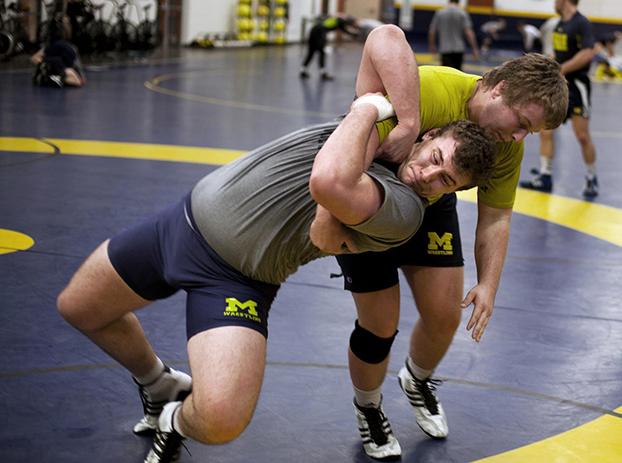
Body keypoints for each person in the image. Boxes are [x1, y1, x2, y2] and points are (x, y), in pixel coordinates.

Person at [56, 35, 498, 462]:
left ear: (454, 193)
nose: (427, 177)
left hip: (235, 279)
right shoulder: (386, 136)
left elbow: (330, 182)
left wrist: (367, 106)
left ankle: (176, 420)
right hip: (178, 224)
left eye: (446, 182)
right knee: (79, 307)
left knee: (221, 420)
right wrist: (403, 119)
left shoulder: (404, 210)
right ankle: (157, 384)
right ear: (428, 135)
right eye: (434, 160)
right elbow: (384, 37)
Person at [310, 25, 568, 461]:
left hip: (432, 201)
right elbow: (353, 136)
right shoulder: (428, 91)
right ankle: (369, 408)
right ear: (499, 89)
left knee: (445, 314)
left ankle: (417, 378)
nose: (520, 137)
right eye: (522, 123)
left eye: (531, 132)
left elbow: (496, 216)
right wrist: (327, 213)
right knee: (379, 325)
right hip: (371, 198)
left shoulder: (506, 147)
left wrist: (489, 284)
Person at [520, 0, 599, 198]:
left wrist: (563, 68)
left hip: (577, 85)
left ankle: (592, 177)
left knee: (582, 136)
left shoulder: (582, 23)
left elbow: (588, 53)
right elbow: (558, 53)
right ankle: (545, 175)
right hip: (558, 86)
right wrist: (547, 65)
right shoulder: (559, 25)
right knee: (545, 131)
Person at [299, 13, 359, 80]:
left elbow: (346, 31)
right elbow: (346, 21)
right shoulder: (339, 20)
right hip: (318, 33)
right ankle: (323, 73)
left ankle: (303, 70)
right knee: (321, 52)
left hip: (315, 31)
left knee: (311, 53)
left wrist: (355, 35)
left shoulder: (338, 23)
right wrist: (353, 21)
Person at [428, 0, 480, 70]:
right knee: (457, 74)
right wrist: (474, 48)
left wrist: (432, 45)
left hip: (445, 49)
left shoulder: (439, 14)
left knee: (445, 74)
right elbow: (469, 33)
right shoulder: (462, 14)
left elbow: (432, 32)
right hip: (459, 49)